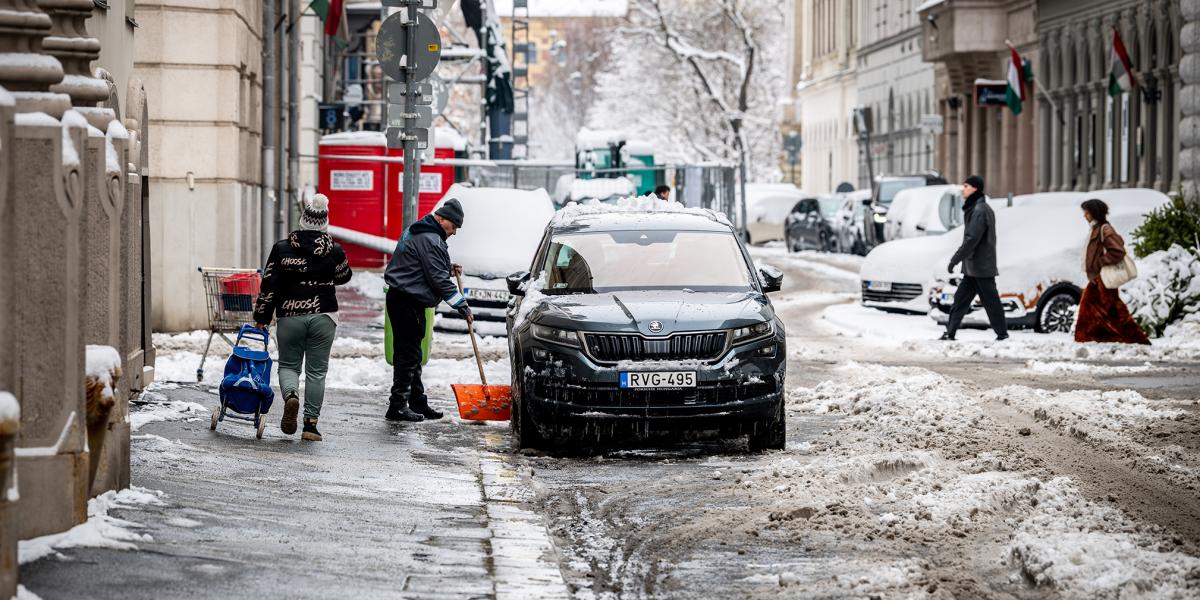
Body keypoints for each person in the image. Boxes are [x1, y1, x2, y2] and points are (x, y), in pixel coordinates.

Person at [253, 194, 352, 441]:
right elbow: (344, 276)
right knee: (317, 372)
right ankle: (310, 426)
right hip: (324, 315)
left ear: (303, 221)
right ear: (324, 223)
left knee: (288, 365)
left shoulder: (282, 249)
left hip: (290, 315)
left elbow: (270, 285)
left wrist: (262, 316)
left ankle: (291, 396)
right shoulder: (335, 250)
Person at [382, 199, 473, 422]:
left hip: (404, 298)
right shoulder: (430, 239)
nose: (454, 233)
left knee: (412, 353)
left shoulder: (419, 231)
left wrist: (446, 268)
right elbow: (438, 279)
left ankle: (417, 403)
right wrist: (461, 305)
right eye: (454, 227)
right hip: (407, 301)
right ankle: (397, 406)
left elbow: (421, 267)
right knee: (408, 354)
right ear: (442, 219)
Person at [941, 175, 1009, 341]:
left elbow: (972, 239)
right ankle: (950, 333)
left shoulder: (980, 211)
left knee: (991, 303)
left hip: (981, 268)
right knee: (960, 301)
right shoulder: (976, 208)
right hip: (973, 268)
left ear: (975, 189)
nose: (962, 189)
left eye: (966, 186)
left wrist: (955, 259)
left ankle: (1002, 335)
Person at [1075, 199, 1150, 344]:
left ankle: (1131, 339)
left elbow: (1117, 251)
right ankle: (1102, 338)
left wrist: (1099, 262)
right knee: (1106, 310)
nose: (1084, 215)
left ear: (1094, 213)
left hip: (1103, 278)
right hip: (1097, 278)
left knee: (1104, 310)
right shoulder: (1096, 228)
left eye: (1087, 212)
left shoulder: (1105, 229)